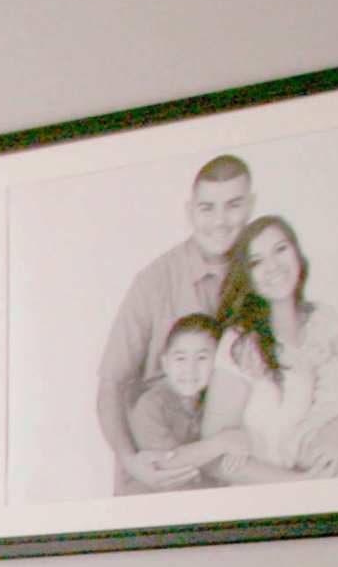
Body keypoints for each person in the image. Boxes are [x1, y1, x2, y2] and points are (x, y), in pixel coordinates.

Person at [95, 154, 257, 493]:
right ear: (189, 211)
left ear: (251, 206)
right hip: (159, 477)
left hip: (236, 476)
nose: (220, 221)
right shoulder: (154, 282)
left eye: (233, 205)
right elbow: (111, 384)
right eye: (207, 208)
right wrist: (129, 461)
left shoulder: (263, 276)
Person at [203, 215, 338, 483]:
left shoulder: (324, 318)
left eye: (280, 249)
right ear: (247, 277)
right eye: (256, 261)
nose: (272, 266)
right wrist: (301, 485)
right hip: (272, 503)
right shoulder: (240, 343)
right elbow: (211, 458)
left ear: (297, 253)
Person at [125, 315, 234, 483]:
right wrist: (223, 443)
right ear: (165, 363)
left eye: (202, 358)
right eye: (180, 358)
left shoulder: (214, 401)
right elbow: (168, 463)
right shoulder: (150, 406)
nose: (190, 368)